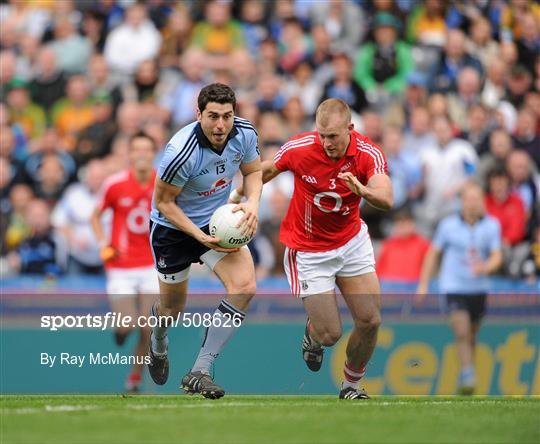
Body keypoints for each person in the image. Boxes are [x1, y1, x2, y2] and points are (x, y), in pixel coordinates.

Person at [233, 98, 393, 400]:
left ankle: (351, 387)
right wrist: (239, 192)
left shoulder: (367, 153)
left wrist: (364, 190)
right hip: (309, 251)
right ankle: (312, 336)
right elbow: (266, 170)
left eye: (333, 136)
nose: (326, 142)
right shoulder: (300, 148)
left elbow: (387, 197)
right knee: (330, 334)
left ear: (350, 129)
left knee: (370, 320)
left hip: (351, 243)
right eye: (322, 135)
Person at [148, 83, 262, 399]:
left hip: (216, 224)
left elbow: (254, 172)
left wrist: (252, 203)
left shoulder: (245, 134)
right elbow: (164, 203)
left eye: (227, 116)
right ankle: (158, 339)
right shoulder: (180, 151)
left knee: (244, 287)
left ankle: (200, 370)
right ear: (199, 114)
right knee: (173, 309)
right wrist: (196, 236)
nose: (221, 125)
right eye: (213, 116)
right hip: (173, 230)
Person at [416, 183, 502, 395]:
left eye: (476, 199)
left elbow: (497, 255)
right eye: (469, 199)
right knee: (462, 330)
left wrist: (485, 268)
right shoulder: (448, 225)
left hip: (479, 288)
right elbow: (433, 254)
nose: (473, 203)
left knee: (472, 335)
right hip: (453, 286)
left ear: (482, 201)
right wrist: (424, 283)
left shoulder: (492, 225)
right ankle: (467, 375)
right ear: (462, 202)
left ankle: (467, 373)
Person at [91, 131, 159, 393]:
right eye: (137, 149)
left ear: (154, 154)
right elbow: (95, 216)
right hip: (120, 266)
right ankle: (119, 334)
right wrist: (102, 244)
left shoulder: (162, 184)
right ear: (129, 154)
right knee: (126, 326)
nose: (142, 154)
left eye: (147, 149)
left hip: (151, 264)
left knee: (148, 327)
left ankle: (134, 378)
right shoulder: (115, 184)